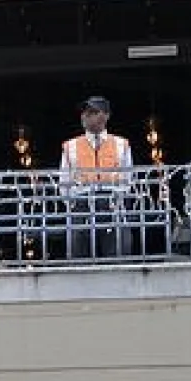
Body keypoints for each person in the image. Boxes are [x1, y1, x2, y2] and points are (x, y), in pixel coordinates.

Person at [58, 96, 134, 259]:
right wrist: (73, 204)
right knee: (79, 255)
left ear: (105, 116)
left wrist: (118, 197)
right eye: (85, 112)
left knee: (118, 253)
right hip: (81, 203)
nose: (85, 116)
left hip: (112, 202)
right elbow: (64, 181)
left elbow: (128, 177)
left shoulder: (121, 144)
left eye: (92, 112)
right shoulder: (71, 146)